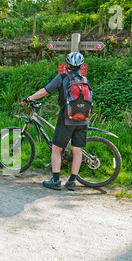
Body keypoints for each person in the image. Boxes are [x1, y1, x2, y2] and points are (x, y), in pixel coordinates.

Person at [22, 52, 89, 191]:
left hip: (66, 119)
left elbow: (44, 91)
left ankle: (56, 180)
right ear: (81, 66)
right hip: (83, 120)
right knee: (77, 151)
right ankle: (71, 182)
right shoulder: (84, 80)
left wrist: (29, 98)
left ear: (67, 65)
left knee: (56, 149)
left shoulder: (62, 77)